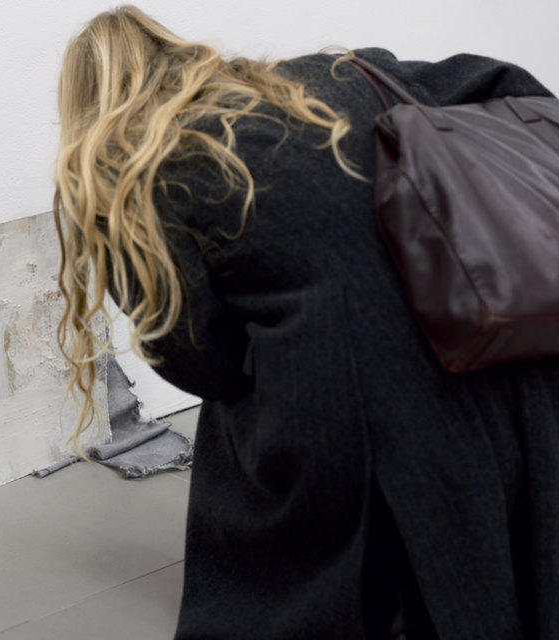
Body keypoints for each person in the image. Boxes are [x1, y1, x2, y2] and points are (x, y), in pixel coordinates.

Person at [53, 6, 559, 639]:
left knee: (237, 411)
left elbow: (200, 362)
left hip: (365, 417)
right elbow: (496, 80)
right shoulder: (334, 74)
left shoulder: (144, 177)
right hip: (502, 343)